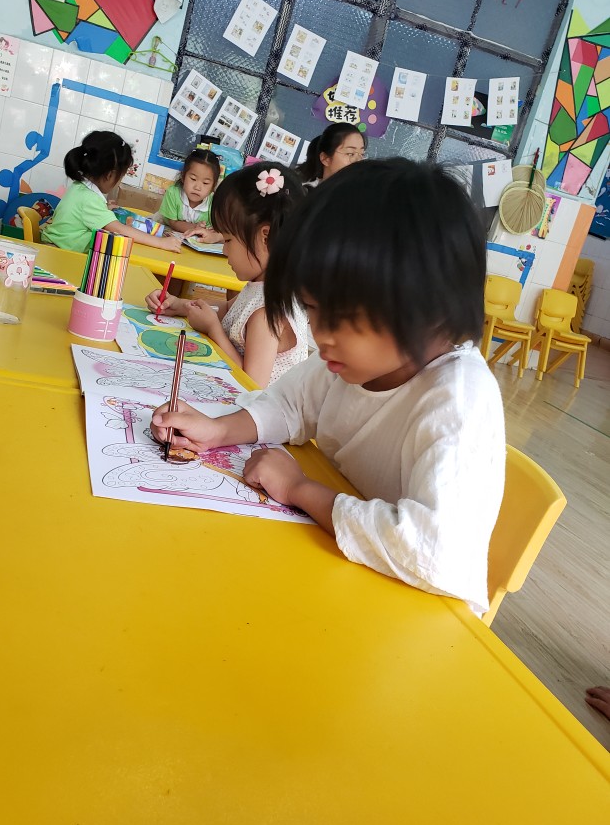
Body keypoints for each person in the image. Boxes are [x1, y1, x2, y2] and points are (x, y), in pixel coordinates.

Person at [151, 158, 506, 615]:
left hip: (414, 613)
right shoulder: (351, 362)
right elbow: (290, 404)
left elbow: (431, 552)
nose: (321, 335)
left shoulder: (458, 400)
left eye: (342, 317)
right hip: (341, 572)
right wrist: (217, 430)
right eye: (314, 310)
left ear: (426, 309)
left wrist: (300, 490)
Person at [146, 162, 309, 387]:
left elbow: (252, 385)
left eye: (228, 240)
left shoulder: (268, 312)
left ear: (265, 236)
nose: (224, 250)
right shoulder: (262, 287)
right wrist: (179, 305)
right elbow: (226, 310)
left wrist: (213, 329)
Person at [41, 131, 182, 254]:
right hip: (59, 253)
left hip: (55, 247)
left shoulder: (80, 186)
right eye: (121, 177)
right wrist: (161, 243)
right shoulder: (90, 199)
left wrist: (104, 209)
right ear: (110, 175)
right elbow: (119, 230)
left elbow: (82, 214)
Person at [158, 148, 223, 243]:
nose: (197, 187)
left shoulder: (214, 204)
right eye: (193, 179)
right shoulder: (173, 193)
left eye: (205, 183)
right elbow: (173, 223)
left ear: (213, 186)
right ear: (183, 176)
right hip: (167, 230)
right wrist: (195, 227)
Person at [296, 122, 366, 187]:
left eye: (362, 154)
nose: (359, 161)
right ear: (325, 158)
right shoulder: (305, 193)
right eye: (350, 154)